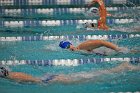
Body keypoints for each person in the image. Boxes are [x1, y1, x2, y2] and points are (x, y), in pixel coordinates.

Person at [0, 61, 139, 84]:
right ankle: (123, 67)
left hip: (52, 80)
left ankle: (123, 67)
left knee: (98, 75)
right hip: (51, 79)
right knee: (99, 75)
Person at [59, 40, 129, 56]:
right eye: (67, 49)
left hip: (114, 52)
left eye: (68, 46)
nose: (69, 49)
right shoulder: (79, 51)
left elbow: (102, 42)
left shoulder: (82, 46)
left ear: (71, 44)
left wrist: (117, 49)